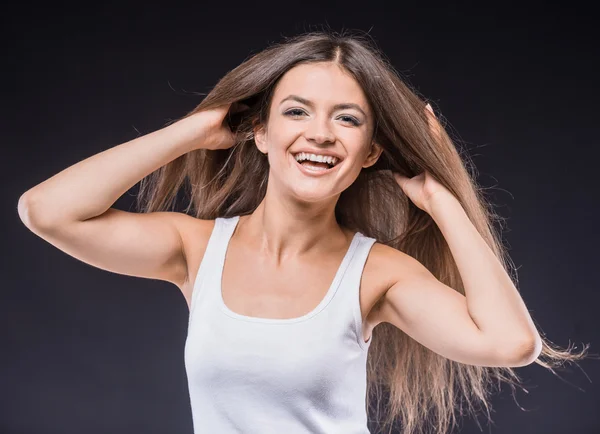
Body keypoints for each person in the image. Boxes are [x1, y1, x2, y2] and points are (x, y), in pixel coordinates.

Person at [18, 30, 589, 434]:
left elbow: (513, 345)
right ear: (259, 132)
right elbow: (45, 210)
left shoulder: (376, 274)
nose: (320, 134)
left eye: (347, 118)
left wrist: (441, 198)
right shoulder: (194, 250)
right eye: (296, 112)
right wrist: (193, 130)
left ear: (370, 153)